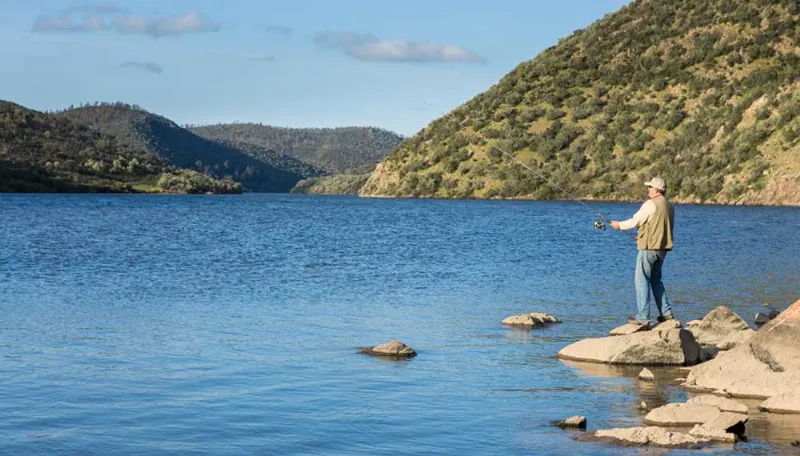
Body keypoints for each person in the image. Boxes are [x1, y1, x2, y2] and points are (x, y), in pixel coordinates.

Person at [610, 177, 675, 327]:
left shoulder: (650, 204)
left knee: (641, 280)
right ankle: (667, 315)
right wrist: (642, 236)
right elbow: (658, 226)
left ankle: (643, 317)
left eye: (650, 187)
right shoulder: (669, 206)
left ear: (657, 189)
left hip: (649, 249)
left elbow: (636, 221)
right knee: (656, 281)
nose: (648, 189)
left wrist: (619, 225)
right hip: (662, 249)